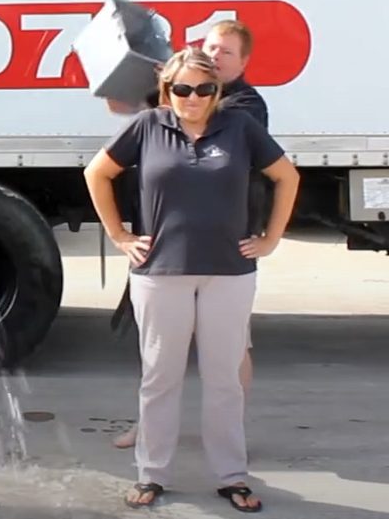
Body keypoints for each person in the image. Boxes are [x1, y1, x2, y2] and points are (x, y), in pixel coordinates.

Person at [83, 47, 299, 512]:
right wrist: (120, 235)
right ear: (167, 90)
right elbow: (96, 173)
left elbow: (287, 176)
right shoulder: (147, 127)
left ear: (216, 91)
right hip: (160, 273)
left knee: (225, 379)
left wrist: (270, 239)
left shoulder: (239, 127)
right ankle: (152, 474)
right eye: (182, 89)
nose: (193, 97)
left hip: (230, 272)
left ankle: (231, 476)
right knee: (160, 377)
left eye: (204, 89)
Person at [111, 20, 268, 449]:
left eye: (226, 53)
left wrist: (174, 88)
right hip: (166, 247)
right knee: (161, 352)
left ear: (244, 62)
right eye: (211, 48)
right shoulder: (182, 102)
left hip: (223, 251)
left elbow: (205, 124)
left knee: (233, 350)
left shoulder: (244, 108)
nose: (215, 57)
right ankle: (150, 429)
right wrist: (157, 91)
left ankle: (229, 433)